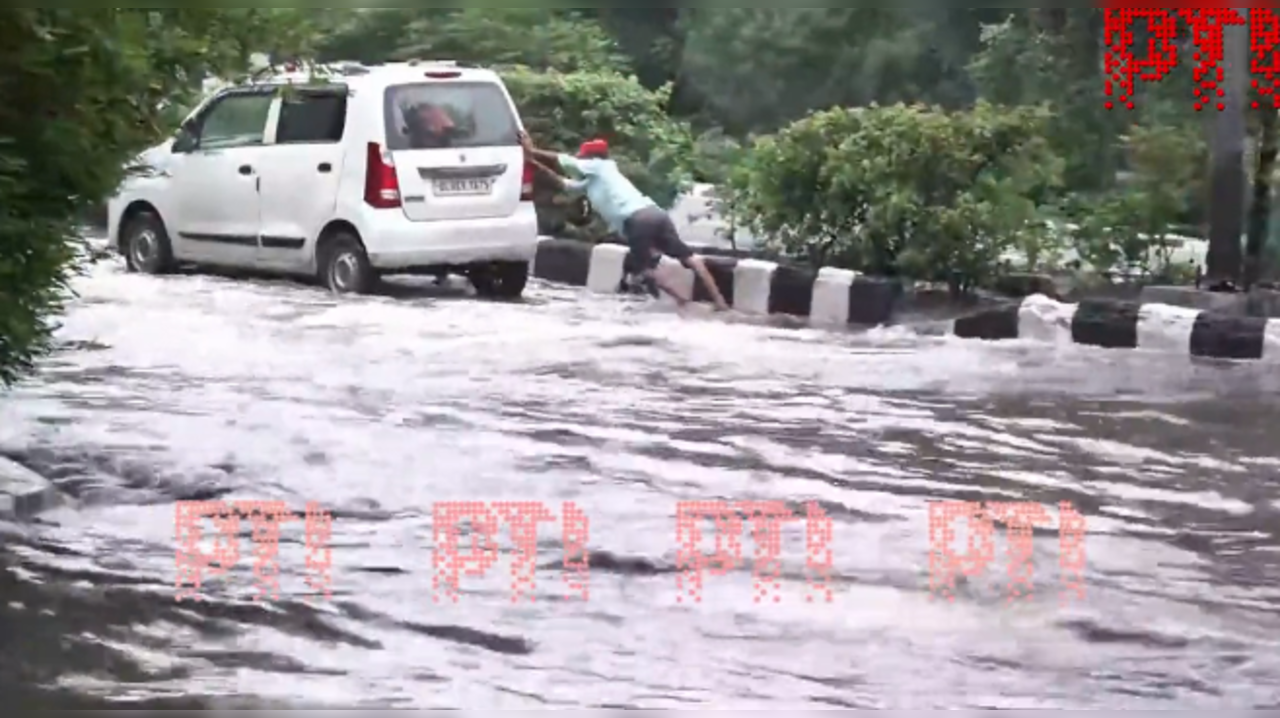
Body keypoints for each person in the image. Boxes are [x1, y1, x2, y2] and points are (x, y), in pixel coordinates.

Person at [519, 131, 730, 311]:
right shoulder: (593, 180)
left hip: (637, 221)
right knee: (690, 259)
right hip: (655, 214)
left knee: (645, 269)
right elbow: (563, 184)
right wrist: (533, 162)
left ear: (592, 159)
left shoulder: (600, 166)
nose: (580, 161)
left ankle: (683, 303)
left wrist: (532, 150)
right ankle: (720, 303)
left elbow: (561, 160)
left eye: (583, 158)